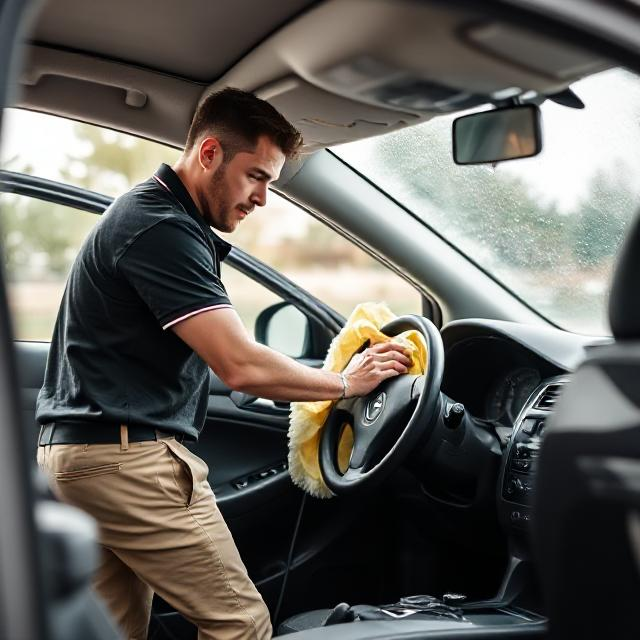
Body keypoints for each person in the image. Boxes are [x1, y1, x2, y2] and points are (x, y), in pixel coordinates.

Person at [35, 88, 411, 640]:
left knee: (113, 632)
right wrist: (347, 383)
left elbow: (213, 358)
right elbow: (239, 365)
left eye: (270, 183)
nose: (262, 198)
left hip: (80, 461)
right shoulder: (162, 227)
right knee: (241, 624)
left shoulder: (151, 215)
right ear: (209, 154)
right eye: (256, 176)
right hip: (126, 464)